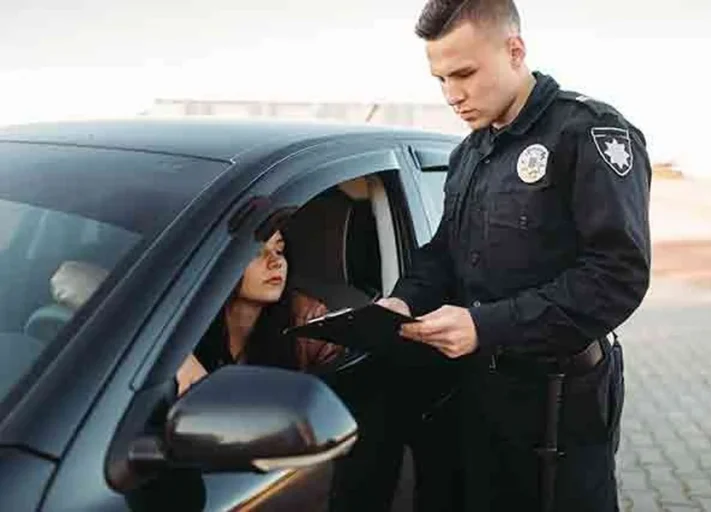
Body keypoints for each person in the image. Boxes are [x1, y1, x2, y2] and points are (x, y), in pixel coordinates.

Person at [377, 1, 652, 511]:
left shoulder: (586, 132)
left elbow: (618, 276)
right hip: (477, 396)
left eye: (464, 73)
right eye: (441, 79)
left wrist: (486, 326)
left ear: (515, 51)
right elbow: (445, 252)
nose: (452, 95)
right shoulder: (469, 153)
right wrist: (403, 301)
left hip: (558, 409)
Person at [176, 229, 342, 394]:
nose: (276, 262)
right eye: (256, 253)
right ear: (221, 262)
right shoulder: (184, 322)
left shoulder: (308, 319)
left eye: (279, 251)